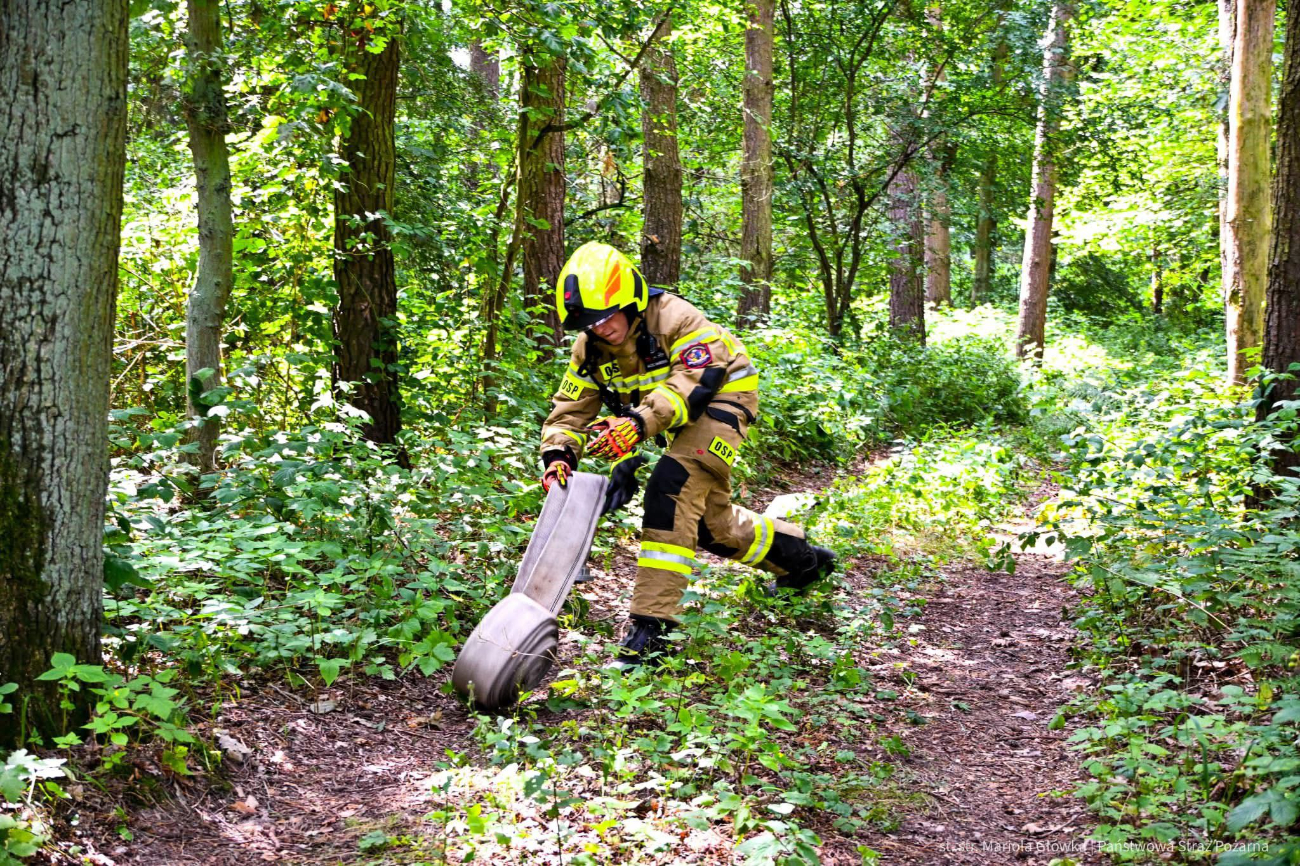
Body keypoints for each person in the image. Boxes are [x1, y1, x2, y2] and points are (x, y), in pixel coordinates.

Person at [539, 242, 836, 665]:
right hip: (664, 414)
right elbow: (570, 411)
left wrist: (637, 425)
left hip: (723, 396)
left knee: (671, 489)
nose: (602, 329)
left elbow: (694, 382)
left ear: (631, 301)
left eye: (608, 316)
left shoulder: (676, 318)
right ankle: (802, 561)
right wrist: (559, 456)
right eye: (591, 323)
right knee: (706, 525)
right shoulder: (589, 350)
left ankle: (652, 632)